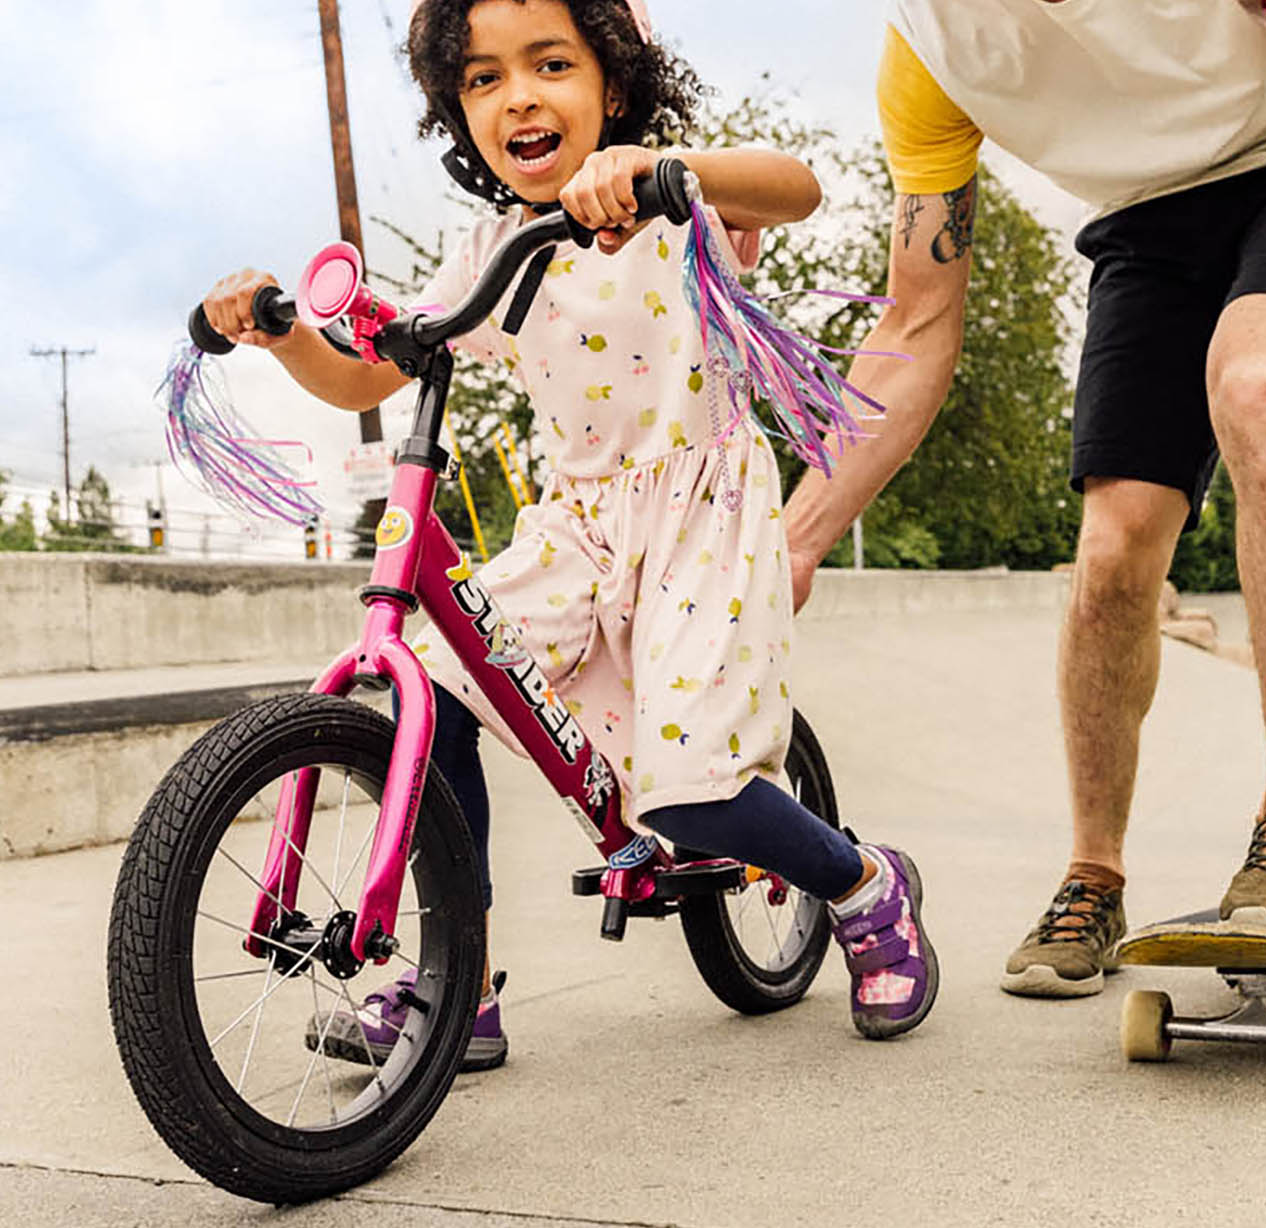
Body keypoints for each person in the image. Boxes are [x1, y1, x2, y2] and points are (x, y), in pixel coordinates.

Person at [196, 0, 939, 1060]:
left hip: (702, 521)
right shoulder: (493, 249)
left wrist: (658, 169)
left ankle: (866, 884)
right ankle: (460, 981)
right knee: (436, 681)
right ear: (461, 112)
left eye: (551, 64)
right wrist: (277, 335)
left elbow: (798, 186)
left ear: (614, 84)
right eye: (485, 79)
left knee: (692, 794)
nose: (520, 96)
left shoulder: (681, 206)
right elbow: (367, 365)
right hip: (579, 531)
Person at [780, 0, 1266, 996]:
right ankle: (1093, 877)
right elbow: (917, 319)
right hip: (1148, 224)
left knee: (1261, 384)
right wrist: (799, 535)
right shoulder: (927, 52)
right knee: (1112, 555)